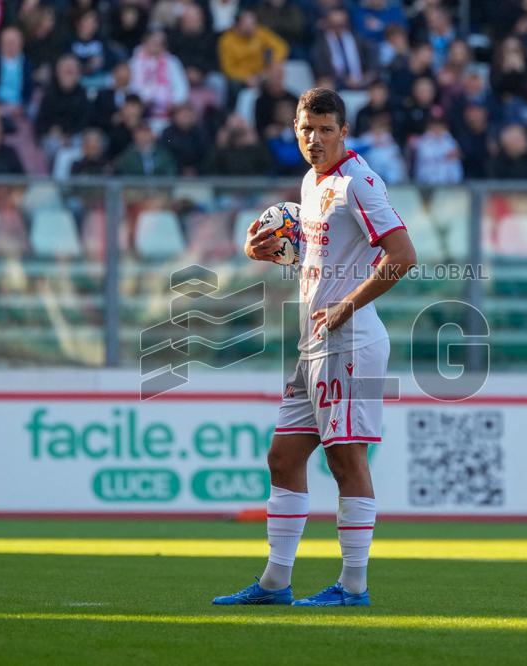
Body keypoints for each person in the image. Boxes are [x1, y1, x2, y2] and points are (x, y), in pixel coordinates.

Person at [214, 87, 415, 608]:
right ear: (295, 130)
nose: (315, 138)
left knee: (347, 462)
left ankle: (353, 587)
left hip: (349, 339)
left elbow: (402, 255)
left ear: (344, 132)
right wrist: (264, 249)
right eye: (307, 129)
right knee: (283, 457)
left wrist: (346, 306)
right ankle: (276, 584)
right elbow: (316, 253)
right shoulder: (311, 181)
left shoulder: (358, 183)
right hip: (314, 344)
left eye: (326, 129)